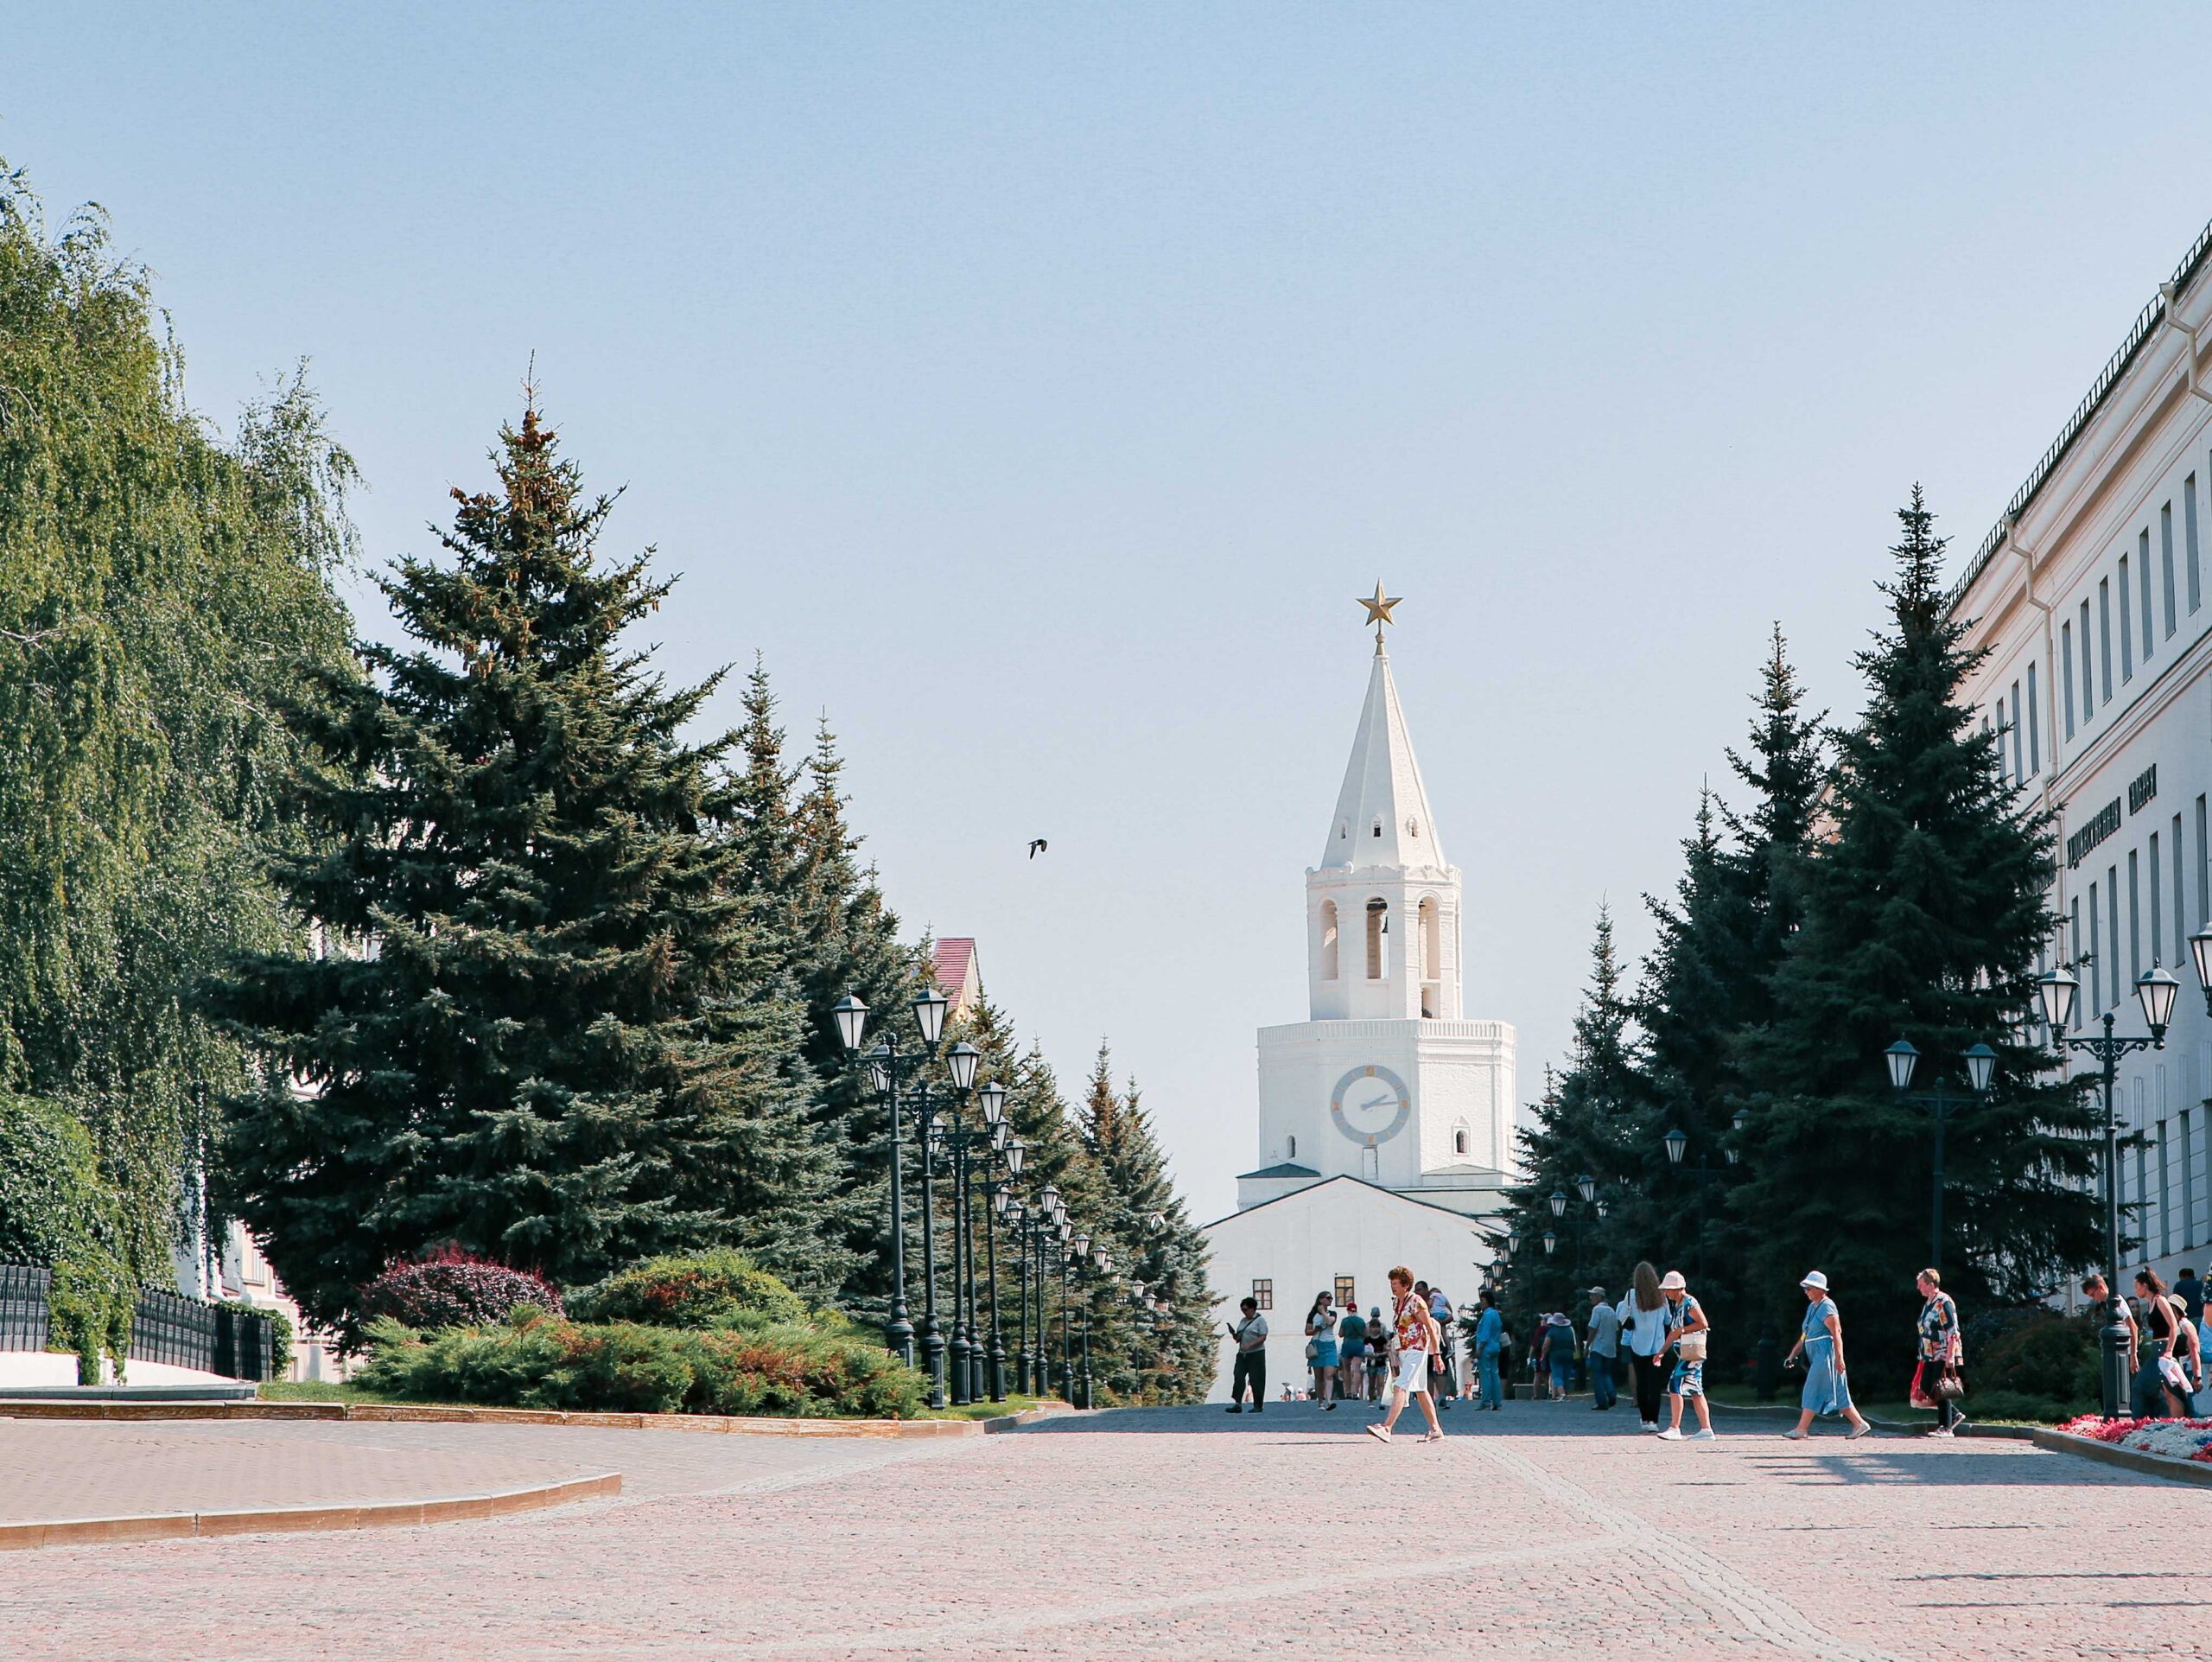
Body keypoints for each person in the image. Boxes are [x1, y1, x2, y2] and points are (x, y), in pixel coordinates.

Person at [1784, 1270, 1872, 1440]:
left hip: (1825, 1355)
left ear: (1819, 1289)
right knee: (1839, 1392)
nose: (1806, 1291)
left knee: (1812, 1387)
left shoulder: (1827, 1306)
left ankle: (1801, 1429)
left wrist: (1839, 1358)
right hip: (1817, 1354)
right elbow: (1805, 1335)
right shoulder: (1812, 1307)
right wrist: (1792, 1355)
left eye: (1809, 1288)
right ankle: (1859, 1423)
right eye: (1805, 1288)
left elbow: (1836, 1333)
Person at [1365, 1265, 1445, 1445]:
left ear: (1405, 1285)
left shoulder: (1417, 1302)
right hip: (1404, 1350)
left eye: (1396, 1283)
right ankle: (1435, 1429)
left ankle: (1387, 1428)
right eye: (1392, 1283)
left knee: (1401, 1386)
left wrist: (1437, 1354)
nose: (1392, 1286)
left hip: (1417, 1349)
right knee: (1421, 1390)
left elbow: (1430, 1327)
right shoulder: (1396, 1303)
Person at [1656, 1270, 1717, 1442]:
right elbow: (1673, 1333)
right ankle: (1706, 1429)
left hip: (1691, 1355)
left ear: (1678, 1289)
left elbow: (1703, 1323)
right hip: (1687, 1354)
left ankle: (1675, 1427)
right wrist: (1662, 1351)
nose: (1665, 1293)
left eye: (1668, 1289)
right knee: (1696, 1390)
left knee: (1675, 1384)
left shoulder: (1690, 1302)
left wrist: (1682, 1330)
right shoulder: (1678, 1305)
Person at [1619, 1262, 1670, 1431]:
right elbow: (1668, 1320)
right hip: (1657, 1345)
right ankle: (1654, 1420)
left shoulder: (1631, 1295)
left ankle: (1645, 1418)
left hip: (1637, 1343)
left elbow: (1622, 1316)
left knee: (1641, 1382)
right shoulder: (1661, 1296)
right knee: (1655, 1383)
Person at [1914, 1269, 1965, 1436]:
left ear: (1930, 1284)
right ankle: (1954, 1414)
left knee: (1940, 1387)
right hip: (1930, 1354)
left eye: (1921, 1284)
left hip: (1943, 1351)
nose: (1918, 1288)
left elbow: (1953, 1330)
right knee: (1926, 1386)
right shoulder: (1929, 1303)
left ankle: (1945, 1427)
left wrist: (1950, 1356)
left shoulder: (1944, 1302)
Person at [2133, 1269, 2190, 1419]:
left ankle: (2177, 1422)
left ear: (2145, 1286)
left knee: (2163, 1388)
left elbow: (2174, 1326)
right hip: (2156, 1350)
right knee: (2164, 1389)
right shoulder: (2152, 1302)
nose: (2135, 1290)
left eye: (2137, 1286)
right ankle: (2159, 1420)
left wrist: (2169, 1351)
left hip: (2163, 1350)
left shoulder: (2160, 1300)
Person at [2082, 1273, 2139, 1411]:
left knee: (2128, 1392)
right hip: (2118, 1352)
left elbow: (2133, 1327)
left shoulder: (2117, 1301)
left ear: (2100, 1287)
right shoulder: (2107, 1303)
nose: (2093, 1298)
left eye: (2093, 1294)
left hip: (2125, 1353)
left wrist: (2133, 1355)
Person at [1226, 1296, 1268, 1413]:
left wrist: (1250, 1345)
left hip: (1256, 1353)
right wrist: (1233, 1334)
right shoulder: (1243, 1321)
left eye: (1245, 1309)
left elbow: (1263, 1337)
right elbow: (1238, 1338)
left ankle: (1258, 1405)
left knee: (1256, 1379)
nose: (1244, 1312)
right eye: (1242, 1309)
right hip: (1242, 1354)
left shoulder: (1260, 1320)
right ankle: (1237, 1403)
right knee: (1238, 1376)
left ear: (1252, 1309)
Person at [1586, 1285, 1620, 1411]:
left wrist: (1587, 1345)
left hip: (1598, 1347)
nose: (1591, 1297)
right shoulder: (1612, 1311)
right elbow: (1616, 1329)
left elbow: (1593, 1328)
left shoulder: (1597, 1310)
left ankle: (1601, 1402)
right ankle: (1612, 1393)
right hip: (1610, 1348)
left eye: (1593, 1295)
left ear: (1599, 1297)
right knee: (1606, 1373)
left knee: (1597, 1375)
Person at [1306, 1290, 1341, 1409]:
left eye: (1331, 1298)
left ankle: (1329, 1400)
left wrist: (1323, 1312)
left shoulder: (1332, 1313)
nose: (1330, 1300)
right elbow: (1307, 1331)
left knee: (1329, 1374)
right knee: (1319, 1376)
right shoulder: (1312, 1315)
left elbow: (1330, 1322)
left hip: (1330, 1345)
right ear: (1320, 1300)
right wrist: (1316, 1330)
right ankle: (1320, 1401)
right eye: (1327, 1298)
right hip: (1317, 1345)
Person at [1473, 1289, 1505, 1410]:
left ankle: (1486, 1401)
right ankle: (1497, 1402)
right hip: (1495, 1346)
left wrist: (1480, 1348)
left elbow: (1485, 1333)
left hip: (1486, 1348)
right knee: (1495, 1374)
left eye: (1482, 1300)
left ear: (1487, 1301)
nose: (1481, 1303)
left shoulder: (1487, 1315)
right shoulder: (1496, 1314)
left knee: (1485, 1376)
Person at [1428, 1284, 1457, 1408]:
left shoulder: (1431, 1303)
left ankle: (1438, 1397)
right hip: (1436, 1339)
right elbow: (1450, 1313)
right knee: (1436, 1370)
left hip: (1433, 1340)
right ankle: (1438, 1397)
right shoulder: (1443, 1301)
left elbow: (1450, 1316)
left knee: (1437, 1370)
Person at [1338, 1299, 1369, 1403]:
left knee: (1346, 1369)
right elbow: (1366, 1334)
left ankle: (1347, 1392)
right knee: (1356, 1370)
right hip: (1358, 1344)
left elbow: (1341, 1334)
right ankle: (1356, 1392)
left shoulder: (1345, 1321)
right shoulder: (1361, 1321)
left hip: (1347, 1344)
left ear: (1348, 1311)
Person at [1545, 1311, 1578, 1400]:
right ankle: (1565, 1393)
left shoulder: (1552, 1331)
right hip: (1569, 1355)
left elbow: (1546, 1344)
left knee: (1557, 1375)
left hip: (1556, 1355)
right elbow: (1575, 1342)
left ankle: (1562, 1394)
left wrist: (1543, 1355)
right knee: (1566, 1375)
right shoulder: (1570, 1330)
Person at [1365, 1307, 1389, 1404]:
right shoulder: (1367, 1339)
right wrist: (1369, 1355)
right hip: (1371, 1363)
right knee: (1371, 1382)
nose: (1375, 1329)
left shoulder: (1382, 1338)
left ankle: (1381, 1400)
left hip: (1380, 1362)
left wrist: (1379, 1355)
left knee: (1380, 1382)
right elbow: (1364, 1350)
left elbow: (1386, 1348)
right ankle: (1371, 1400)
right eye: (1373, 1327)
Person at [2176, 1264, 2205, 1333]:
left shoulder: (2179, 1285)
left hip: (2188, 1320)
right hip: (2202, 1318)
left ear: (2182, 1276)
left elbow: (2175, 1304)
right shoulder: (2200, 1284)